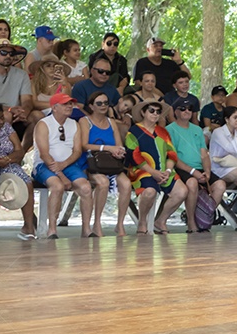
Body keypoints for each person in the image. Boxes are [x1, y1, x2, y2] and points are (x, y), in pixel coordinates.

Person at [33, 93, 93, 238]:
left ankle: (86, 229)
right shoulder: (43, 124)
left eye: (71, 103)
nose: (70, 106)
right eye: (65, 104)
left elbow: (77, 151)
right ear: (54, 107)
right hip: (44, 165)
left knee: (85, 187)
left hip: (68, 165)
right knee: (57, 186)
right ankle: (52, 229)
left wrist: (64, 165)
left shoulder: (74, 124)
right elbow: (44, 154)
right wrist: (61, 175)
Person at [126, 101, 190, 236]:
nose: (155, 114)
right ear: (143, 112)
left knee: (182, 192)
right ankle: (142, 221)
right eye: (151, 110)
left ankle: (160, 221)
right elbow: (134, 156)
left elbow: (172, 154)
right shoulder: (134, 131)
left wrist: (167, 171)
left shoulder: (163, 131)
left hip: (164, 171)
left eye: (158, 111)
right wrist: (153, 172)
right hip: (142, 171)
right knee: (149, 192)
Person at [76, 89, 132, 237]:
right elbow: (84, 145)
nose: (103, 106)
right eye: (99, 103)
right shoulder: (85, 121)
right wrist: (106, 147)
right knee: (103, 183)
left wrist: (119, 151)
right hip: (91, 162)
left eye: (106, 103)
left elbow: (119, 145)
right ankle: (97, 223)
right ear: (91, 106)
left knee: (126, 184)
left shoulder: (111, 122)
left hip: (111, 163)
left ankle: (120, 223)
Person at [0, 98, 36, 241]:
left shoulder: (6, 127)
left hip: (7, 162)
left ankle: (28, 227)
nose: (0, 121)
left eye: (1, 117)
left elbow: (19, 150)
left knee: (26, 182)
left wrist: (9, 159)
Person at [168, 96, 226, 234]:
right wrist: (193, 171)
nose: (186, 111)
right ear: (175, 111)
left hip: (200, 168)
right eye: (182, 108)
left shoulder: (198, 130)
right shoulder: (169, 129)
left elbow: (204, 154)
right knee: (192, 183)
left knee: (220, 185)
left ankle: (204, 217)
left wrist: (207, 171)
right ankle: (191, 222)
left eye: (190, 109)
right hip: (181, 167)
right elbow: (173, 157)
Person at [0, 38, 31, 139]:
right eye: (3, 52)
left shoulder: (22, 74)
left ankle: (22, 151)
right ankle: (2, 151)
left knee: (37, 116)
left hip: (18, 114)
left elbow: (27, 100)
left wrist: (24, 111)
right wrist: (9, 109)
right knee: (6, 116)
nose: (8, 56)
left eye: (11, 53)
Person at [27, 54, 70, 122]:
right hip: (40, 114)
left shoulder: (64, 84)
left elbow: (65, 101)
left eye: (55, 66)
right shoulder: (34, 83)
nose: (52, 68)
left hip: (59, 114)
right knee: (37, 115)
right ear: (42, 68)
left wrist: (64, 84)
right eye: (48, 65)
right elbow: (34, 103)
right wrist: (56, 105)